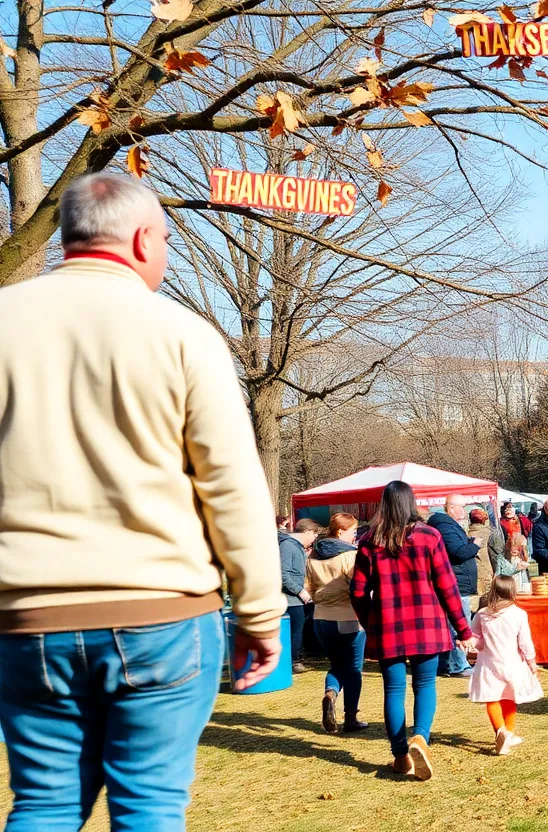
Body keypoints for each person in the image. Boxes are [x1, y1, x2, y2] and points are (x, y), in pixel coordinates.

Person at [0, 172, 285, 828]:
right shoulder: (182, 335)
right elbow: (232, 488)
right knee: (149, 805)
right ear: (139, 239)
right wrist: (261, 616)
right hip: (161, 611)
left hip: (25, 614)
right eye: (163, 240)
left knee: (42, 803)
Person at [350, 481, 473, 781]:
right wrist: (464, 630)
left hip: (388, 626)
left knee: (393, 690)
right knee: (424, 685)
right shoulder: (430, 537)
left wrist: (370, 623)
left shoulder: (369, 542)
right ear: (411, 503)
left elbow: (356, 592)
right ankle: (420, 738)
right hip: (427, 624)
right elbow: (448, 587)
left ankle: (400, 756)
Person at [307, 513, 368, 734]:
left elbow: (309, 588)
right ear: (341, 531)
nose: (355, 536)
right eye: (353, 531)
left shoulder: (313, 556)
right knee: (353, 669)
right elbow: (359, 587)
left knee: (336, 665)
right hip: (348, 617)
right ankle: (350, 716)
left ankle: (331, 692)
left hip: (321, 618)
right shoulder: (349, 556)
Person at [468, 576, 542, 755]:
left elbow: (477, 640)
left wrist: (469, 643)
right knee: (510, 697)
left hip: (489, 664)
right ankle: (508, 732)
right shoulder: (518, 614)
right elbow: (525, 642)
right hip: (512, 664)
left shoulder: (482, 614)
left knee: (492, 697)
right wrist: (532, 662)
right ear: (512, 591)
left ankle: (500, 731)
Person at [428, 496, 481, 679]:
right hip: (457, 583)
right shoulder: (445, 527)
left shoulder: (447, 526)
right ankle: (459, 664)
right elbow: (458, 552)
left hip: (458, 581)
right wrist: (474, 545)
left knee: (450, 625)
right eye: (462, 507)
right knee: (459, 624)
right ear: (451, 508)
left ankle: (447, 663)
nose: (464, 511)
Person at [280, 518, 322, 673]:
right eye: (314, 535)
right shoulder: (288, 546)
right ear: (307, 532)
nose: (314, 539)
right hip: (291, 600)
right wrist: (300, 591)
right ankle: (294, 661)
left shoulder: (295, 547)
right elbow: (283, 574)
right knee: (295, 630)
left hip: (296, 598)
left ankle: (297, 658)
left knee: (299, 629)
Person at [468, 507, 504, 598]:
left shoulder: (465, 534)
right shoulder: (491, 533)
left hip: (470, 573)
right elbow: (498, 554)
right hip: (488, 572)